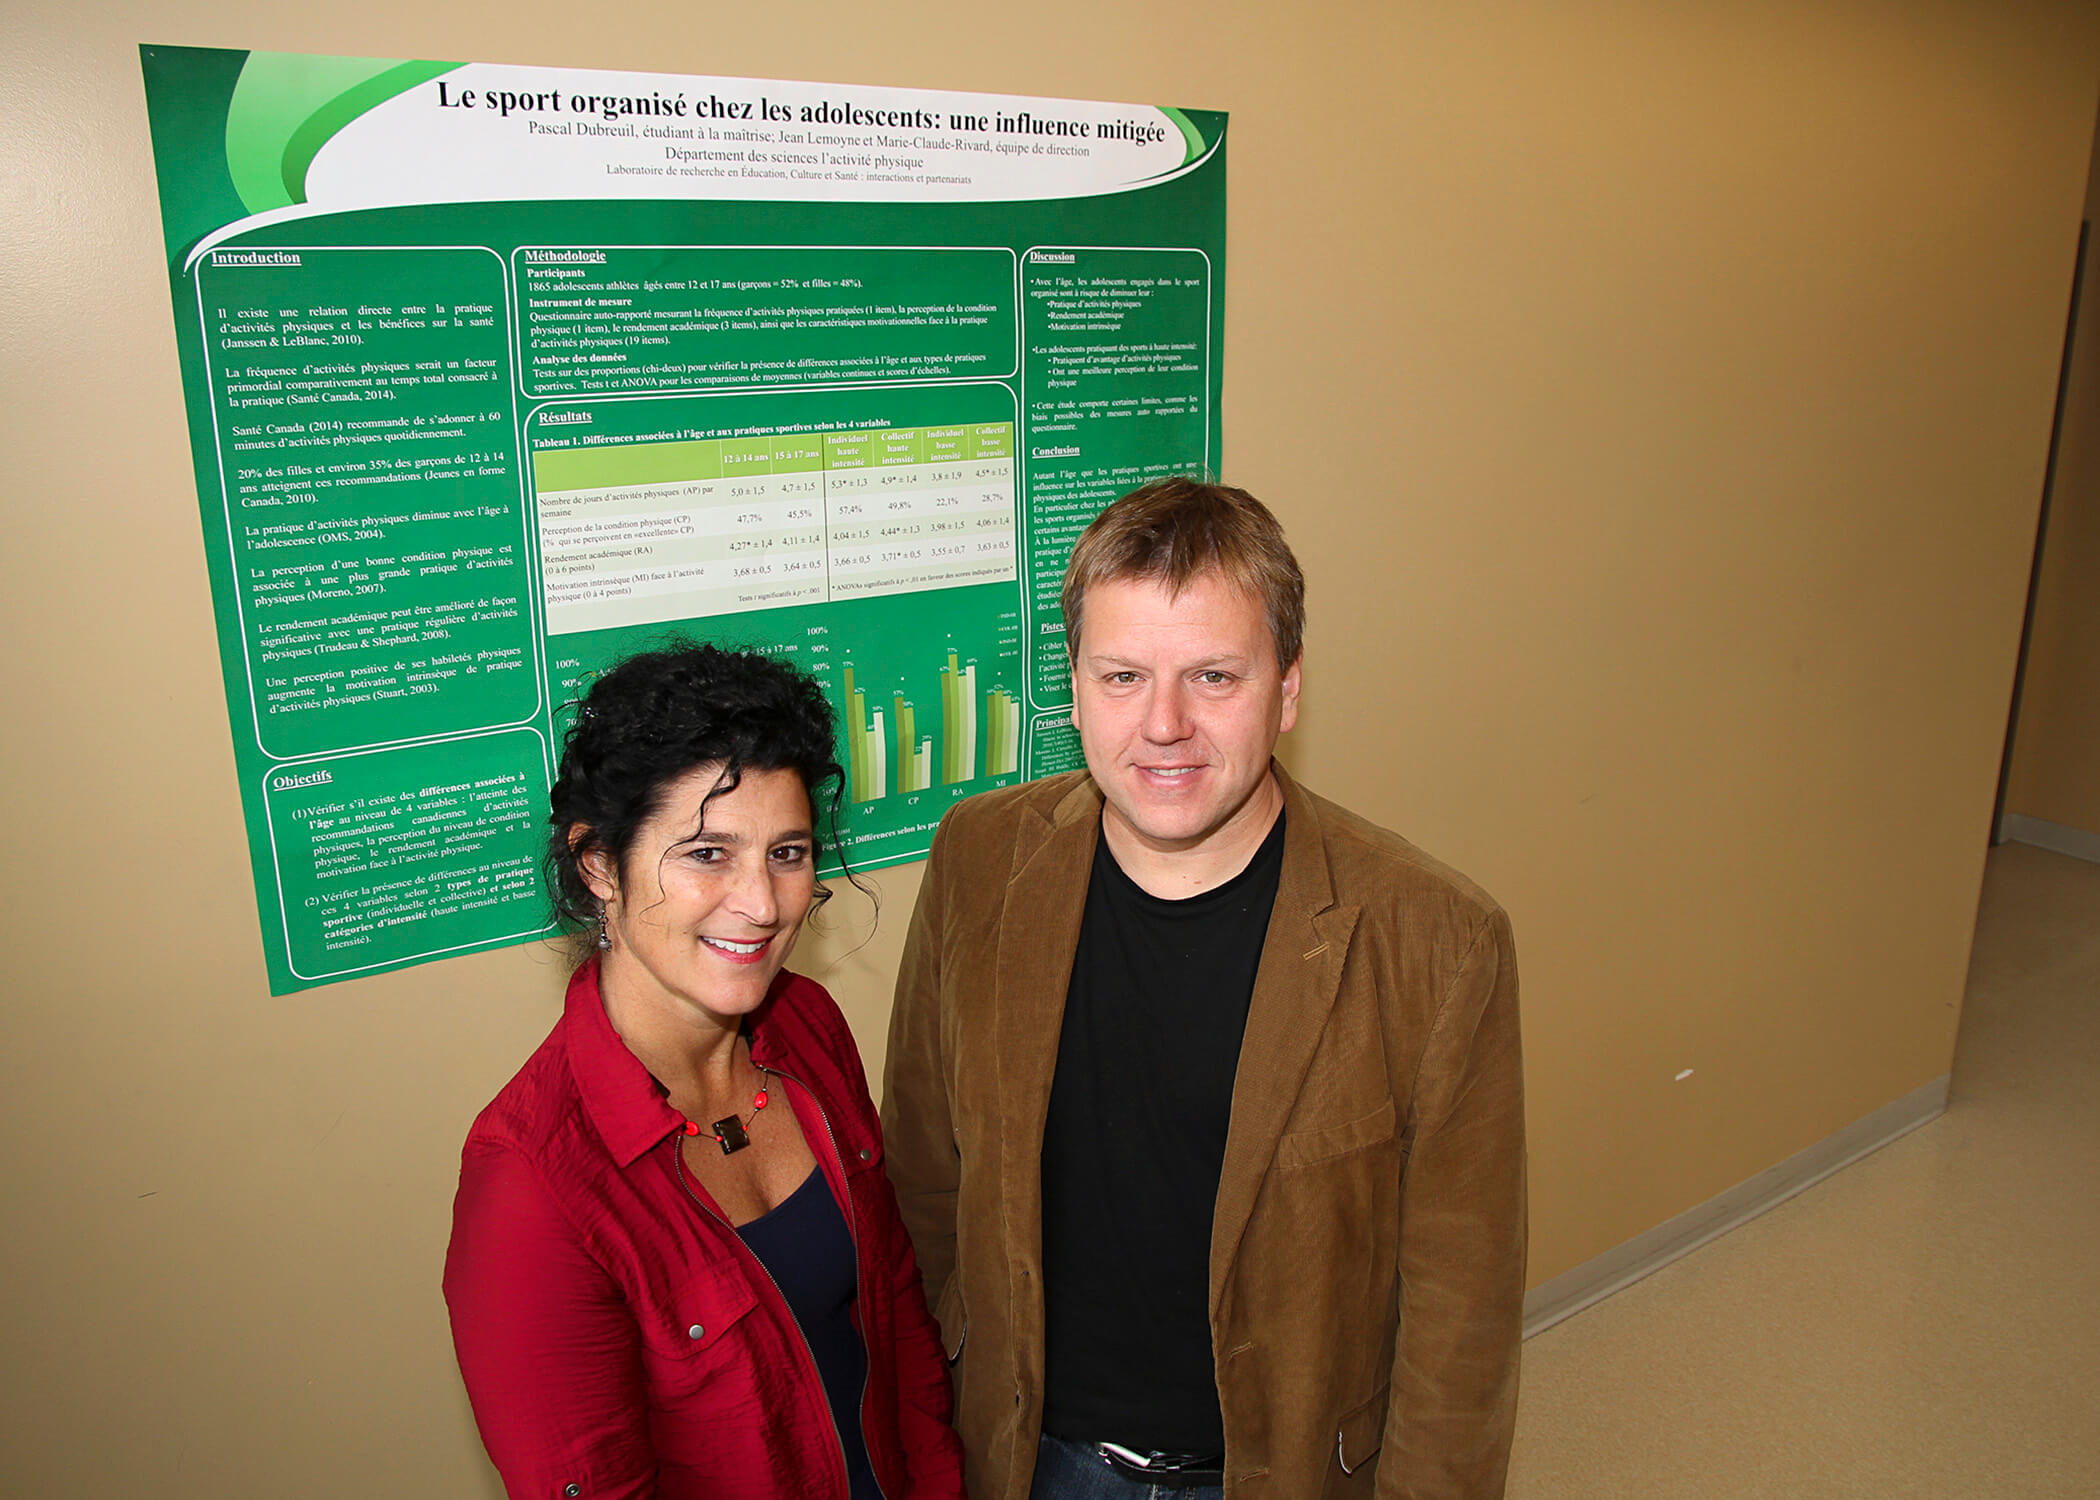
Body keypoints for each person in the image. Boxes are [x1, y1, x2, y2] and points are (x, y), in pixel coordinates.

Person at [881, 479, 1527, 1499]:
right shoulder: (979, 860)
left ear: (1288, 688)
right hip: (1020, 1458)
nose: (1165, 725)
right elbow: (921, 1181)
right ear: (1077, 683)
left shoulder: (1437, 941)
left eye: (1215, 676)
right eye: (1123, 675)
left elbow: (1460, 1316)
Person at [444, 643, 965, 1500]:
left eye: (787, 853)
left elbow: (899, 1320)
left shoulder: (807, 1026)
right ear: (599, 865)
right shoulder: (530, 1186)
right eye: (707, 854)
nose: (761, 904)